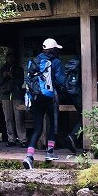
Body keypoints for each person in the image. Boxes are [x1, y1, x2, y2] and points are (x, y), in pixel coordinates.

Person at [22, 38, 65, 169]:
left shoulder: (34, 60)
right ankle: (49, 152)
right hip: (50, 98)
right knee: (53, 124)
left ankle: (29, 156)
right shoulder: (56, 62)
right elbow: (60, 80)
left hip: (35, 98)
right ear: (54, 49)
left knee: (38, 128)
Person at [0, 51, 27, 147]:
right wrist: (5, 76)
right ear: (6, 58)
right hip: (5, 96)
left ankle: (23, 139)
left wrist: (12, 76)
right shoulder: (3, 69)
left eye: (12, 57)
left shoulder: (19, 69)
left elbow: (20, 82)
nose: (10, 59)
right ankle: (11, 139)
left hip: (16, 95)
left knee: (19, 118)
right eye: (8, 57)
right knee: (8, 118)